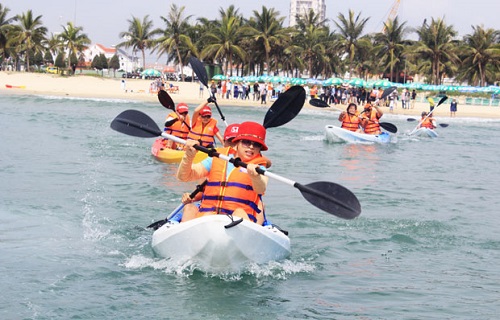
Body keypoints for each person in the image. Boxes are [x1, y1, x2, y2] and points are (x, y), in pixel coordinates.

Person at [177, 121, 270, 225]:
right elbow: (184, 176)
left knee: (239, 213)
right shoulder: (218, 156)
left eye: (256, 144)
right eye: (246, 142)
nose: (251, 147)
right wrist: (189, 155)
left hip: (237, 222)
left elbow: (261, 188)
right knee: (189, 208)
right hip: (209, 216)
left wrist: (255, 176)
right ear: (237, 143)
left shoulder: (259, 167)